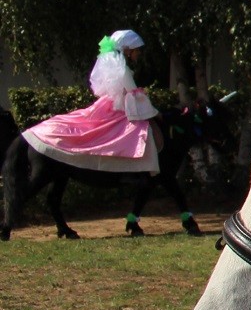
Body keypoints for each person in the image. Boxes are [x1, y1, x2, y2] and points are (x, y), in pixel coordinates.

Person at [23, 28, 163, 193]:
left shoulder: (114, 65)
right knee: (136, 132)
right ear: (127, 49)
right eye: (137, 50)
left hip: (108, 104)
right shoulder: (123, 69)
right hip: (118, 108)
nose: (139, 53)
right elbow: (133, 94)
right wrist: (153, 111)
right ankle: (130, 172)